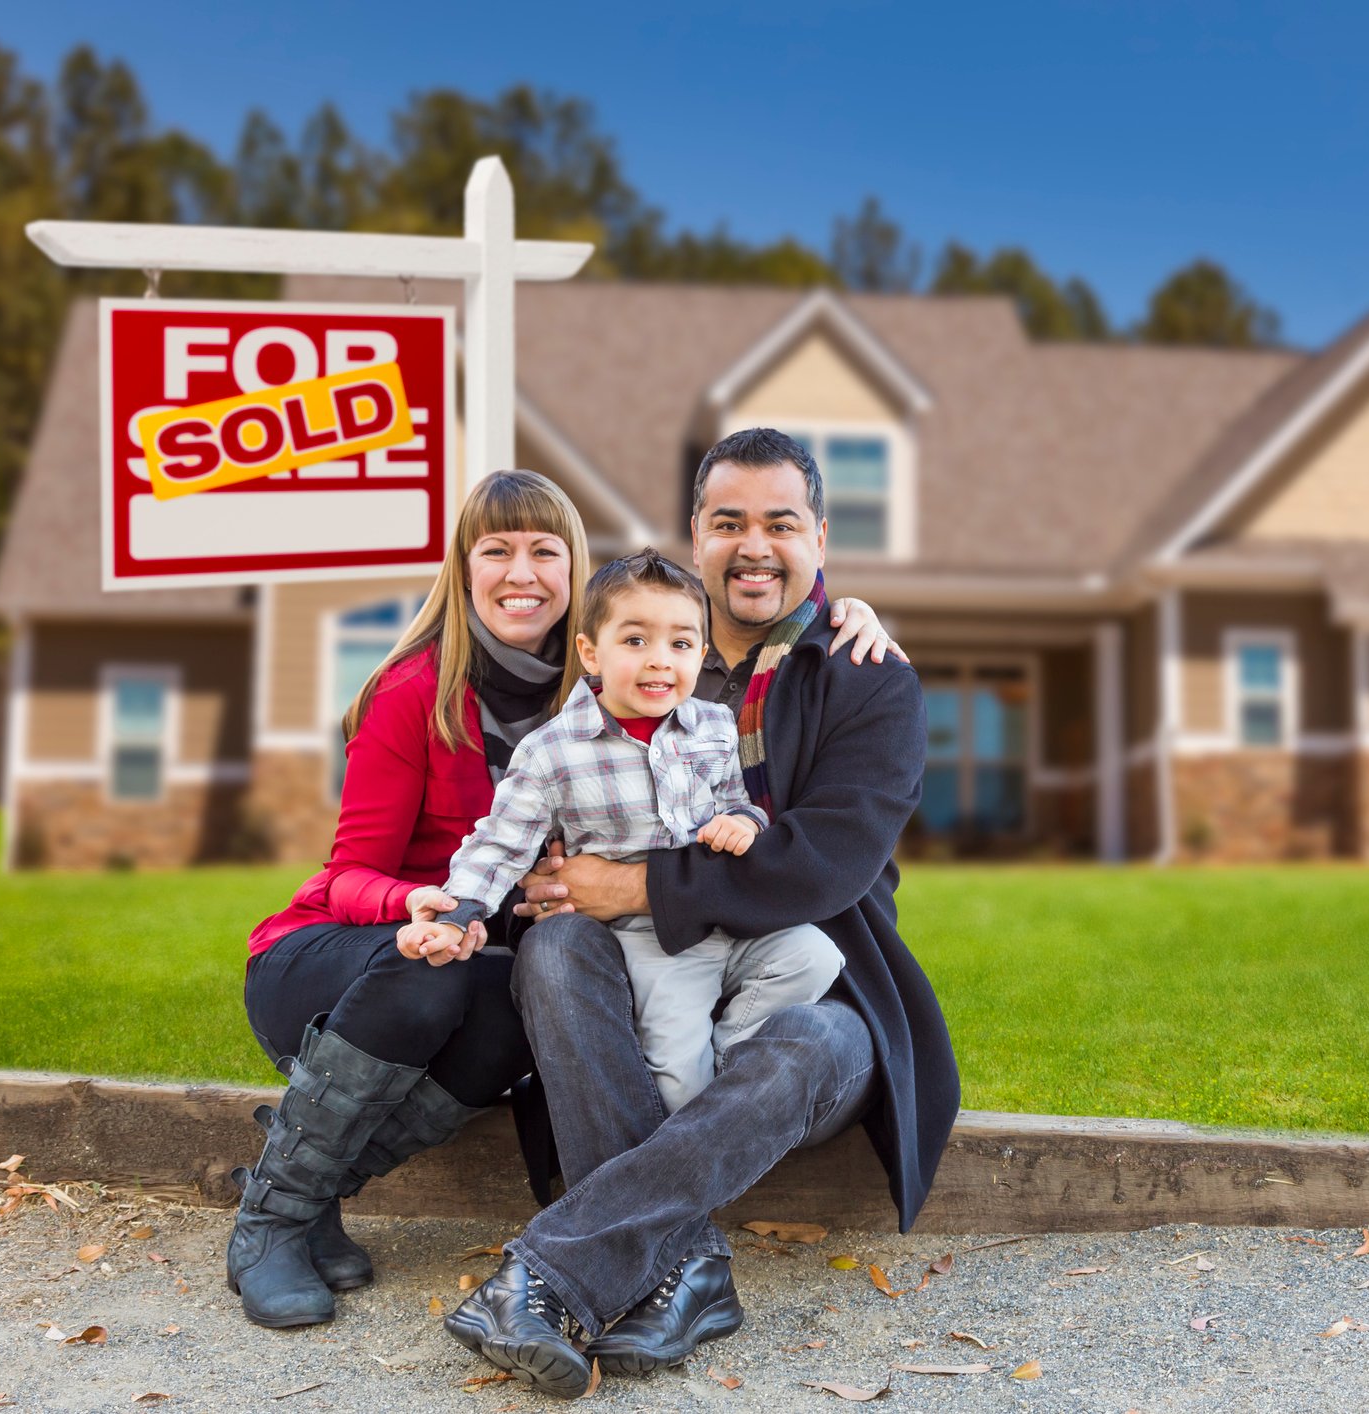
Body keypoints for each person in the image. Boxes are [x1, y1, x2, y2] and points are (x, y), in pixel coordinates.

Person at [232, 468, 900, 1330]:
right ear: (462, 568)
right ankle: (274, 1220)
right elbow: (343, 875)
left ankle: (316, 1189)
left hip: (491, 953)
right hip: (347, 951)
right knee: (446, 972)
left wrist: (851, 608)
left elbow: (734, 637)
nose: (522, 572)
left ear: (575, 577)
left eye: (545, 551)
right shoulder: (417, 693)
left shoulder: (620, 679)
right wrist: (437, 905)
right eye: (496, 550)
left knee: (519, 999)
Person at [442, 428, 960, 1397]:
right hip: (642, 976)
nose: (754, 545)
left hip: (813, 979)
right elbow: (508, 674)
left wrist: (637, 884)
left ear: (819, 535)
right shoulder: (639, 646)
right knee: (553, 948)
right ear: (695, 534)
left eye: (780, 523)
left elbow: (823, 869)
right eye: (729, 523)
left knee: (810, 1042)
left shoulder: (865, 675)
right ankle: (688, 1270)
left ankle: (554, 1269)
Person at [398, 548, 844, 1114]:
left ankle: (733, 1055)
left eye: (680, 644)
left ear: (700, 653)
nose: (660, 661)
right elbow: (499, 844)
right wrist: (459, 911)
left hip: (725, 917)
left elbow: (736, 800)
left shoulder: (713, 726)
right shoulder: (551, 753)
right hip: (652, 940)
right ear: (591, 652)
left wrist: (744, 822)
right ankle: (698, 1115)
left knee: (815, 955)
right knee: (681, 1084)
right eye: (635, 641)